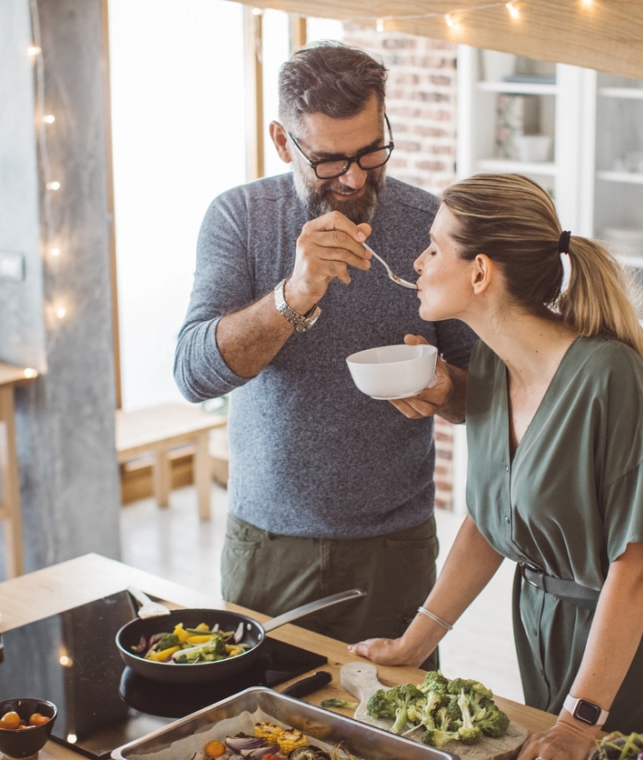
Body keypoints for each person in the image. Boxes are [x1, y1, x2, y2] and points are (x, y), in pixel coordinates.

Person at [349, 173, 643, 760]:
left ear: (481, 272)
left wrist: (579, 722)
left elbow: (639, 563)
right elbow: (489, 525)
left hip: (632, 643)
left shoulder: (609, 376)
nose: (418, 261)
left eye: (435, 247)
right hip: (542, 628)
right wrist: (413, 644)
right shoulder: (492, 365)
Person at [173, 41, 476, 648]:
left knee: (391, 729)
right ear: (284, 143)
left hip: (397, 544)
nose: (356, 177)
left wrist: (444, 387)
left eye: (371, 152)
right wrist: (294, 293)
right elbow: (193, 374)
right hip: (266, 542)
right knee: (262, 730)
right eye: (331, 161)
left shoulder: (433, 224)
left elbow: (485, 397)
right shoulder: (240, 219)